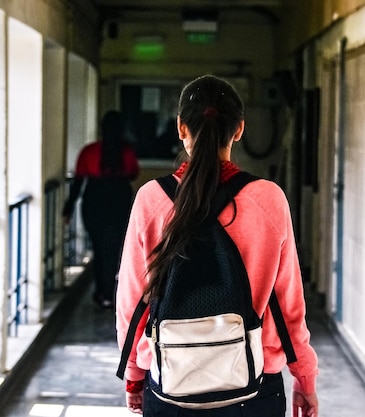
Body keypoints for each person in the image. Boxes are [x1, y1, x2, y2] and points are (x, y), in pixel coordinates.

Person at [115, 74, 319, 417]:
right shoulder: (268, 199)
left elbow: (133, 300)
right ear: (238, 130)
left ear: (181, 128)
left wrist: (135, 374)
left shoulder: (152, 199)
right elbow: (288, 305)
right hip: (253, 386)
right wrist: (305, 379)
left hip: (169, 382)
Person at [63, 111, 139, 309]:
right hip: (119, 200)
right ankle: (114, 292)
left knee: (98, 248)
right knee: (114, 249)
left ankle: (101, 293)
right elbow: (132, 174)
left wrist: (68, 207)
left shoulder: (89, 151)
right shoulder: (127, 152)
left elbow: (78, 181)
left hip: (94, 200)